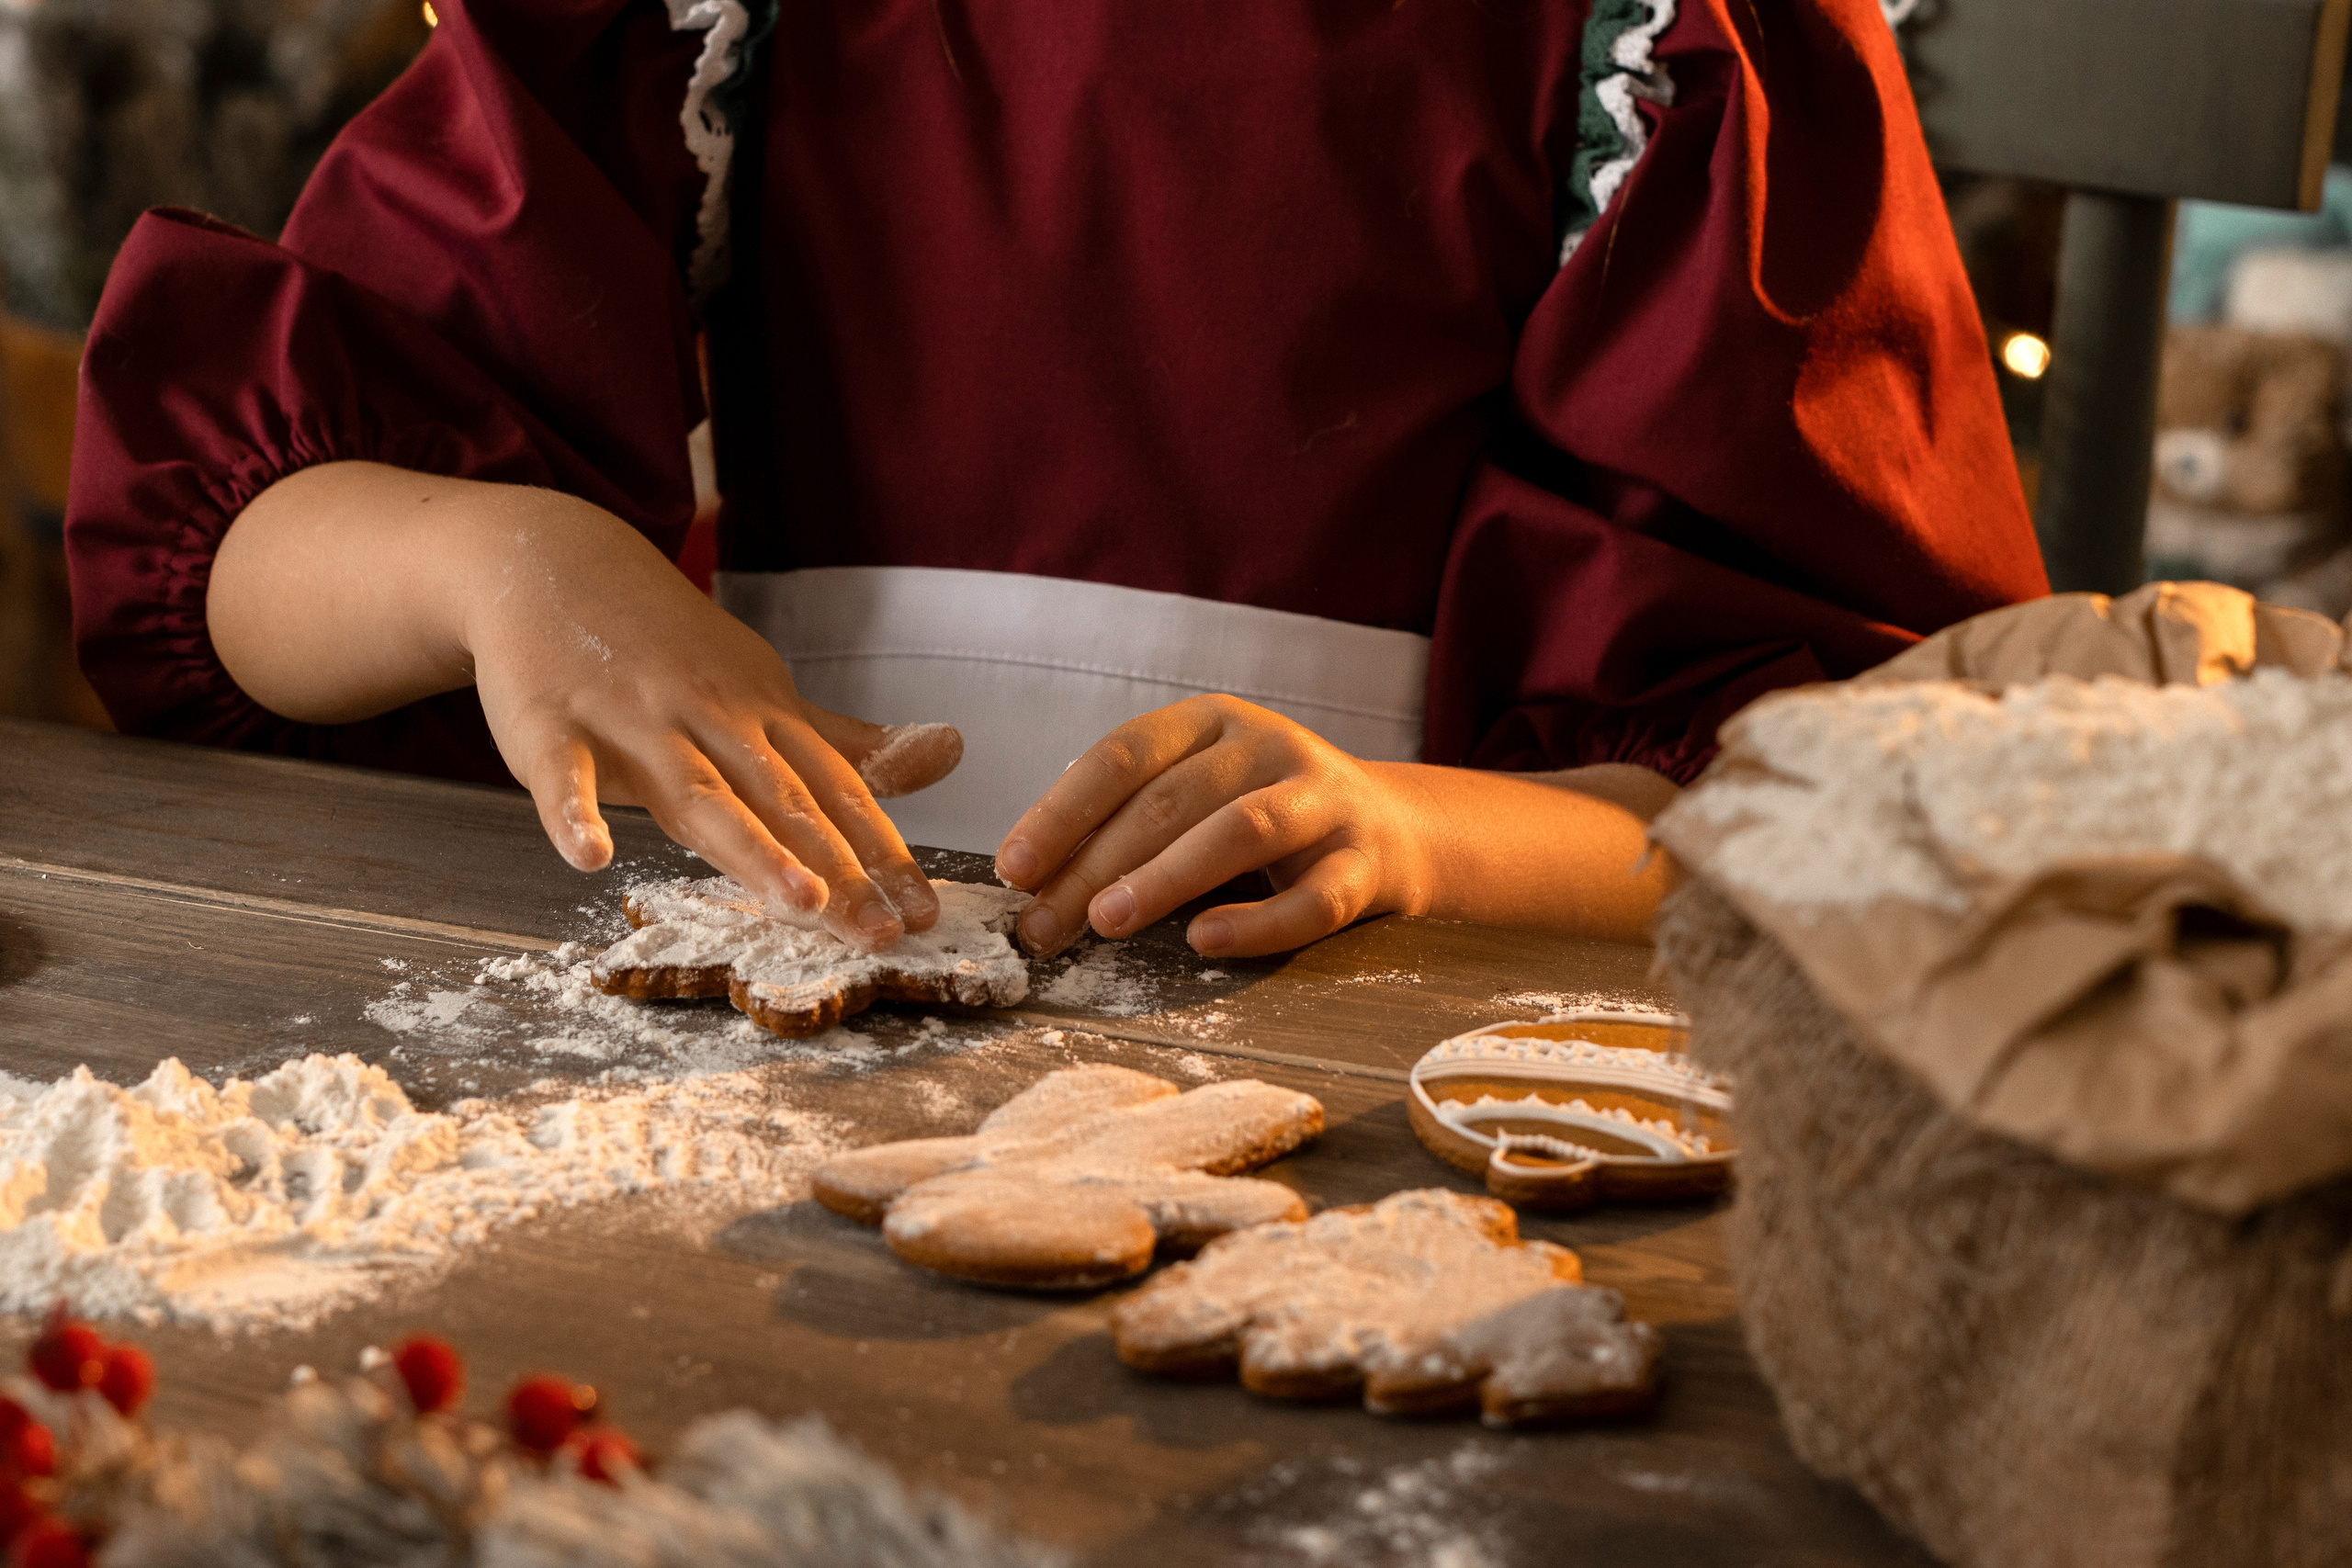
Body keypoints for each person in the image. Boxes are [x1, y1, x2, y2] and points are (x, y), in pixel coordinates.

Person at [63, 0, 2047, 962]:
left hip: (1377, 1063)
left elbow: (1856, 805)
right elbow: (216, 552)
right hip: (745, 1032)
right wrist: (499, 558)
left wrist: (1422, 838)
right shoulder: (715, 16)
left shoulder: (1667, 43)